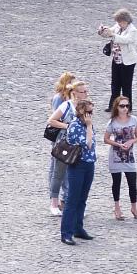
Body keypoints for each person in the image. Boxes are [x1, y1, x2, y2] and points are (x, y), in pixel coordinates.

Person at [59, 100, 97, 246]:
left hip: (89, 163)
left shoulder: (87, 124)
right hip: (78, 165)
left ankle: (78, 228)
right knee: (72, 199)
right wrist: (89, 126)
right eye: (89, 112)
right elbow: (88, 144)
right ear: (81, 111)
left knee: (82, 198)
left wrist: (89, 126)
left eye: (91, 112)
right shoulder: (75, 125)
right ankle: (66, 233)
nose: (91, 115)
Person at [104, 96, 137, 221]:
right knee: (116, 182)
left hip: (129, 156)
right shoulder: (112, 122)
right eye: (122, 106)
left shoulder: (134, 119)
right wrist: (118, 144)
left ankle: (134, 208)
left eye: (127, 106)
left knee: (132, 182)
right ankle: (117, 208)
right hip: (116, 156)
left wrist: (131, 141)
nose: (125, 108)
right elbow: (106, 139)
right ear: (117, 107)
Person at [46, 72, 77, 216]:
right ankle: (55, 199)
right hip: (60, 138)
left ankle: (65, 198)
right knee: (56, 170)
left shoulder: (71, 99)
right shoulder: (60, 99)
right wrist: (68, 125)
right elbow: (55, 118)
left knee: (65, 170)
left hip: (70, 139)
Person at [97, 9, 137, 112]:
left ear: (126, 21)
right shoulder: (117, 26)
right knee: (115, 84)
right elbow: (109, 33)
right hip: (116, 59)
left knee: (126, 85)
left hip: (127, 62)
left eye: (120, 21)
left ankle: (127, 107)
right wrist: (102, 31)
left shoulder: (132, 30)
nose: (118, 23)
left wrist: (112, 35)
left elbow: (126, 40)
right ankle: (113, 106)